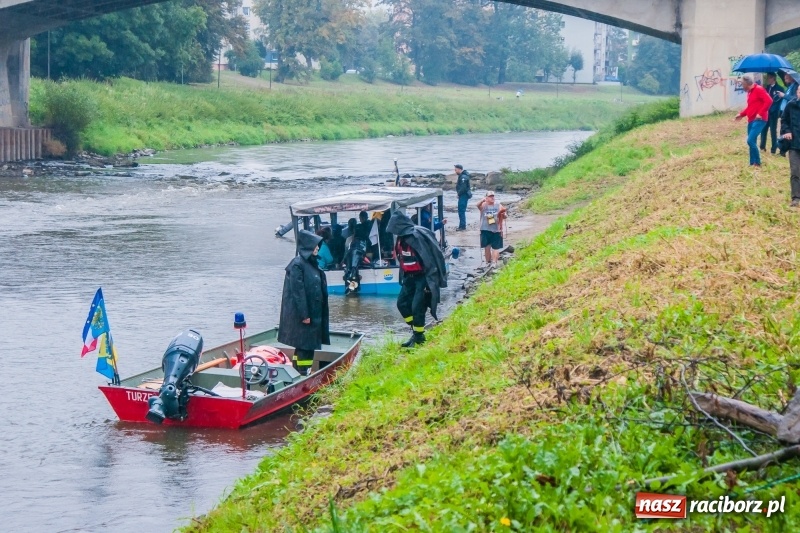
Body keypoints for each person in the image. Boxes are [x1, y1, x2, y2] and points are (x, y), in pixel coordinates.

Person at [387, 210, 447, 348]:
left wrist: (431, 281)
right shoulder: (401, 239)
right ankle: (415, 331)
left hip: (423, 277)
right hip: (409, 277)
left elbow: (430, 259)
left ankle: (419, 338)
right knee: (402, 304)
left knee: (417, 307)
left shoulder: (416, 237)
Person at [278, 229, 330, 375]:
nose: (318, 248)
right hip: (304, 317)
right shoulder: (297, 265)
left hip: (314, 315)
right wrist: (304, 315)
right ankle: (302, 372)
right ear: (307, 246)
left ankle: (301, 370)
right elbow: (298, 292)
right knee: (304, 346)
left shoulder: (312, 264)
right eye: (315, 246)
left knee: (308, 346)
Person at [734, 74, 771, 167]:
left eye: (742, 84)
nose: (742, 86)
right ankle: (752, 163)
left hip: (759, 119)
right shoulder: (749, 92)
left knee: (750, 140)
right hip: (751, 120)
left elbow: (769, 101)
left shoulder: (759, 89)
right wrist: (741, 114)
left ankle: (757, 163)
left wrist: (760, 113)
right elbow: (750, 107)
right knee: (752, 141)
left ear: (747, 83)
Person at [779, 83, 800, 207]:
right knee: (795, 171)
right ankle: (796, 198)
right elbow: (784, 120)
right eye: (799, 91)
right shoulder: (791, 105)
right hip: (794, 145)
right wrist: (786, 131)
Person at [477, 191, 507, 268]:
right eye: (490, 196)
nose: (492, 198)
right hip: (485, 229)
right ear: (486, 198)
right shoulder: (484, 205)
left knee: (495, 247)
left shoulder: (498, 205)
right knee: (487, 247)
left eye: (493, 196)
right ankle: (487, 262)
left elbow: (505, 215)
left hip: (497, 229)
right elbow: (477, 205)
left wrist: (504, 215)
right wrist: (482, 200)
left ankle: (494, 263)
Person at [760, 73, 783, 154]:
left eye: (769, 78)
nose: (768, 80)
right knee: (763, 130)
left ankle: (773, 149)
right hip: (765, 113)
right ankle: (762, 147)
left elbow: (778, 102)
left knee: (773, 131)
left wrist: (773, 110)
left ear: (773, 78)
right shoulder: (766, 88)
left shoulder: (780, 88)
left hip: (773, 113)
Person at [454, 164, 471, 231]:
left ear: (459, 169)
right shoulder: (463, 176)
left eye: (455, 170)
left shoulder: (463, 177)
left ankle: (462, 226)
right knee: (461, 210)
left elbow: (463, 188)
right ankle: (462, 225)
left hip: (463, 195)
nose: (455, 171)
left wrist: (458, 194)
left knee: (461, 210)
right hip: (463, 195)